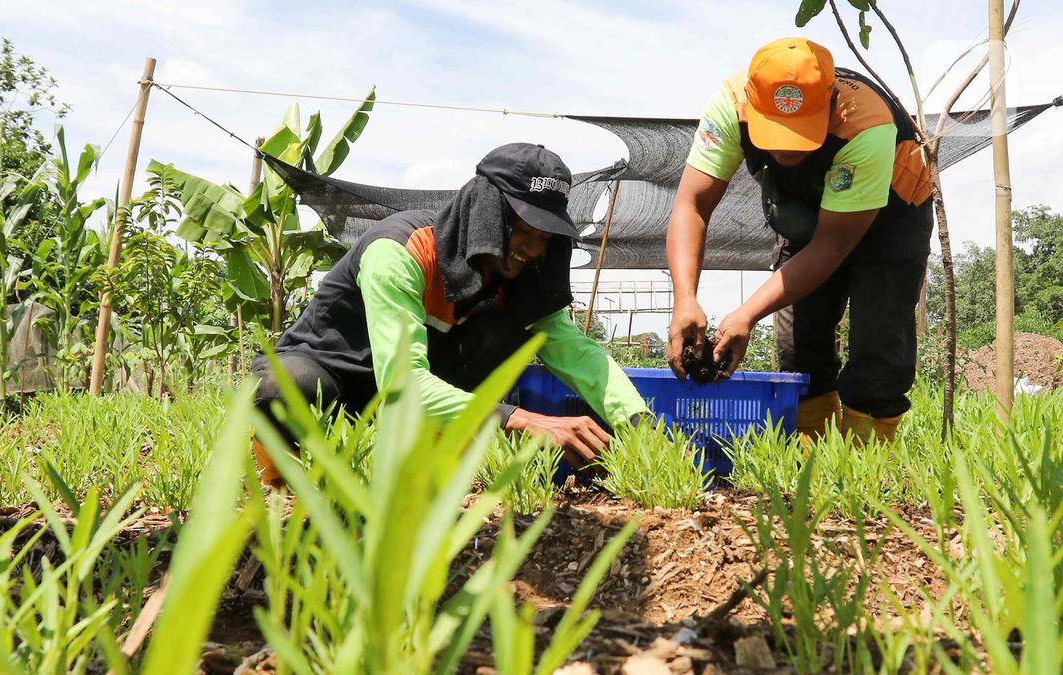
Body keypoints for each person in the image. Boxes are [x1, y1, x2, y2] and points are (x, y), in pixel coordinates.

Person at [253, 143, 651, 484]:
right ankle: (281, 488)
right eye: (523, 230)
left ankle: (426, 464)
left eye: (545, 238)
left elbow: (580, 355)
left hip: (412, 400)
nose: (532, 249)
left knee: (502, 332)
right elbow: (401, 385)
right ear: (487, 215)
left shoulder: (522, 280)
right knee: (291, 384)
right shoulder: (399, 250)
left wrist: (640, 428)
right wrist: (520, 419)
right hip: (339, 381)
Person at [665, 37, 932, 443]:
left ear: (828, 104)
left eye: (799, 131)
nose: (785, 147)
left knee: (878, 350)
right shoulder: (729, 105)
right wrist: (685, 298)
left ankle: (867, 470)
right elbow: (692, 205)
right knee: (800, 350)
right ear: (752, 107)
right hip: (810, 216)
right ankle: (811, 459)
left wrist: (747, 315)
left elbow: (831, 246)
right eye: (774, 131)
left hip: (892, 217)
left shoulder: (866, 124)